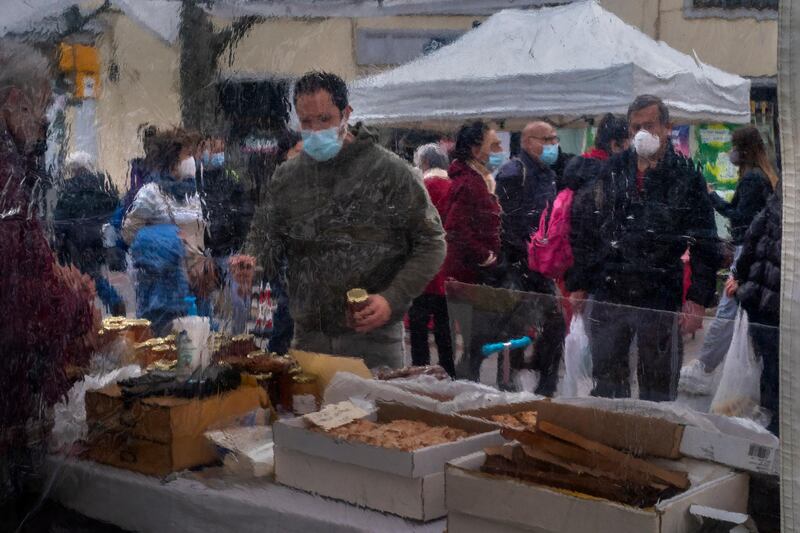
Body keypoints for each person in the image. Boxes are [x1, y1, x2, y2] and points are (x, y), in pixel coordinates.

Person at [240, 71, 445, 368]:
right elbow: (266, 239)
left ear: (346, 114)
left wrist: (391, 298)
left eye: (325, 119)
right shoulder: (289, 176)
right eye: (306, 122)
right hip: (309, 338)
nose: (315, 130)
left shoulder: (389, 171)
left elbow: (431, 242)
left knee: (374, 413)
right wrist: (252, 264)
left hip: (374, 340)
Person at [0, 39, 97, 527]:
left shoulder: (15, 169)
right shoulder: (5, 172)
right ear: (14, 101)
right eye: (40, 107)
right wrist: (75, 301)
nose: (42, 124)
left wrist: (50, 273)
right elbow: (14, 306)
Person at [567, 95, 719, 402]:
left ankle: (652, 442)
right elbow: (585, 228)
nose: (641, 132)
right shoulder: (612, 170)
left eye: (649, 125)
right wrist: (579, 283)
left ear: (666, 128)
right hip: (610, 290)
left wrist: (698, 299)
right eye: (635, 126)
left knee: (658, 386)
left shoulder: (685, 175)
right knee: (607, 381)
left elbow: (705, 240)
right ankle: (612, 442)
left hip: (659, 292)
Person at [680, 126, 778, 394]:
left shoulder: (751, 179)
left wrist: (712, 196)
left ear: (743, 150)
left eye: (733, 146)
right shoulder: (764, 177)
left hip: (746, 250)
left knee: (727, 308)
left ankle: (705, 366)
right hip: (756, 250)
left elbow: (739, 215)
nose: (730, 152)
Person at [493, 122, 566, 395]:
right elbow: (507, 225)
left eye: (554, 138)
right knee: (515, 332)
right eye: (545, 139)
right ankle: (507, 387)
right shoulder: (513, 173)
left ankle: (545, 389)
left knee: (554, 328)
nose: (551, 144)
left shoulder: (548, 173)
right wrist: (530, 252)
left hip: (542, 269)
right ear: (526, 142)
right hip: (518, 267)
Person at [122, 128, 208, 335]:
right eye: (187, 155)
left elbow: (198, 234)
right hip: (160, 291)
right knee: (162, 349)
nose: (192, 161)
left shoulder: (193, 195)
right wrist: (168, 241)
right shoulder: (150, 194)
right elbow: (129, 233)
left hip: (194, 285)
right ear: (172, 161)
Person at [441, 121, 502, 381]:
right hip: (470, 276)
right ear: (476, 150)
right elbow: (455, 229)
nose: (498, 150)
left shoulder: (476, 178)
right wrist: (484, 255)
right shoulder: (469, 182)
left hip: (473, 274)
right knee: (474, 343)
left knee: (476, 343)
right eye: (494, 145)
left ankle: (467, 385)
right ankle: (465, 391)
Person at [730, 187, 781, 435]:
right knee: (776, 370)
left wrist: (738, 277)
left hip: (766, 304)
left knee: (772, 371)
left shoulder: (777, 202)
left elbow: (751, 242)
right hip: (774, 304)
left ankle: (774, 429)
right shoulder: (778, 202)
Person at [53, 151, 125, 315]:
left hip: (76, 241)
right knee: (93, 273)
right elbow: (114, 205)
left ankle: (96, 307)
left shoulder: (67, 189)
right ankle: (110, 302)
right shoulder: (101, 183)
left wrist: (59, 240)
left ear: (73, 169)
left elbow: (60, 218)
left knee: (83, 276)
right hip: (98, 238)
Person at [408, 143, 455, 376]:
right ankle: (448, 373)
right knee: (445, 329)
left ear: (424, 163)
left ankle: (420, 372)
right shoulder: (455, 188)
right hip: (449, 271)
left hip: (423, 271)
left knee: (418, 329)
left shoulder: (419, 188)